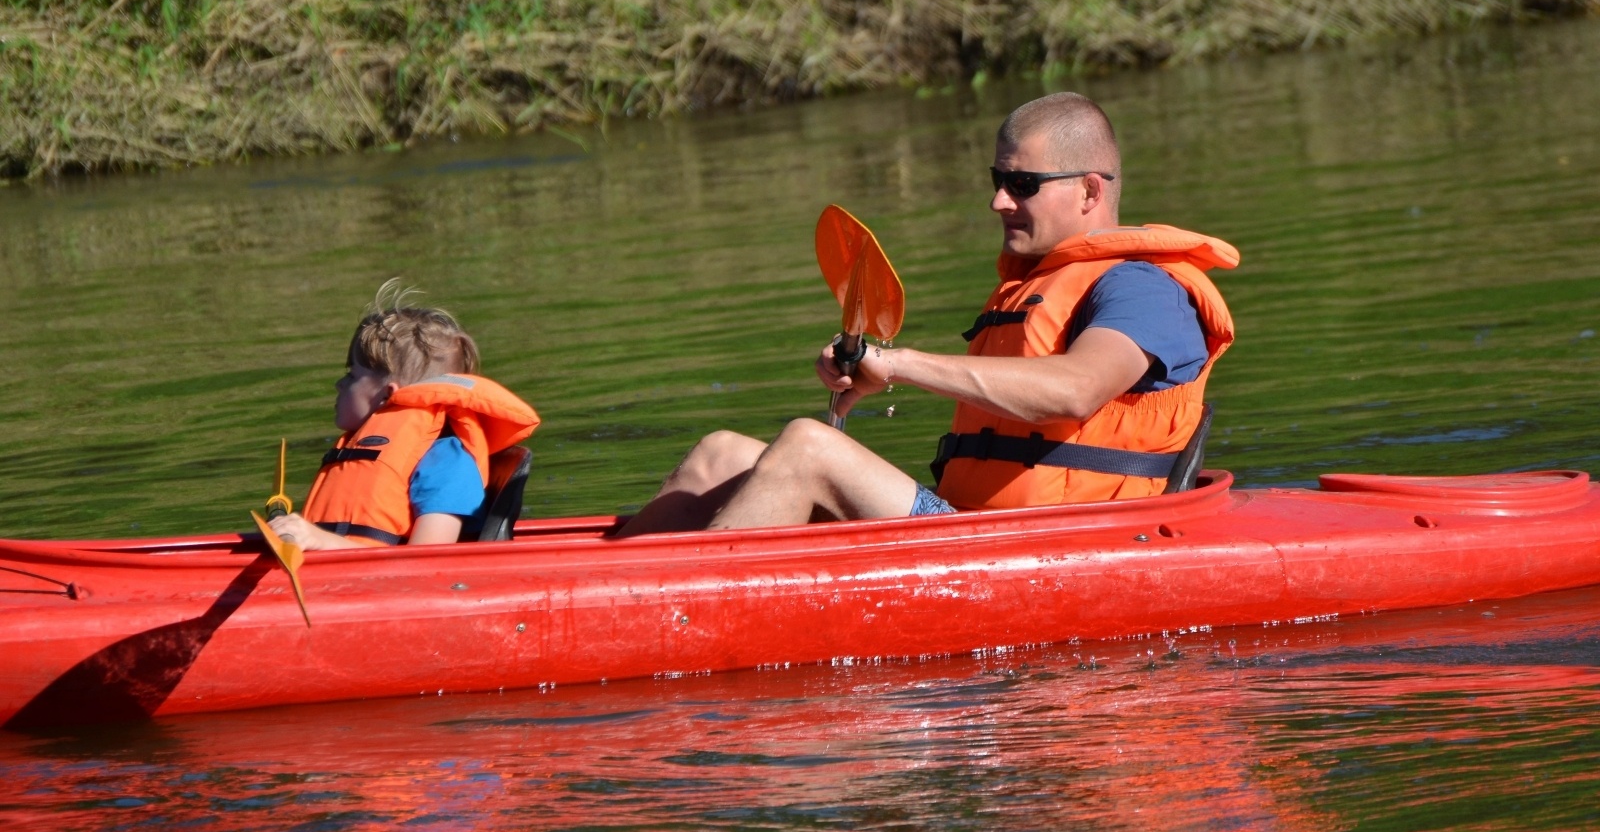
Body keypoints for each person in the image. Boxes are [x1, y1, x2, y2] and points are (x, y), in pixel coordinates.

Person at [616, 92, 1237, 535]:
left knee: (808, 447)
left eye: (1021, 185)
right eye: (997, 178)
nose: (998, 200)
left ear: (1090, 191)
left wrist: (901, 364)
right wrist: (864, 381)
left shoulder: (1143, 289)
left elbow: (1075, 391)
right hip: (965, 530)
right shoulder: (1037, 285)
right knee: (720, 453)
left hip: (1048, 547)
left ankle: (685, 616)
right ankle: (614, 591)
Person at [268, 282, 540, 550]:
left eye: (351, 376)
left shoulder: (449, 463)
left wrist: (323, 541)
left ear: (388, 395)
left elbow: (426, 560)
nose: (339, 384)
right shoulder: (362, 444)